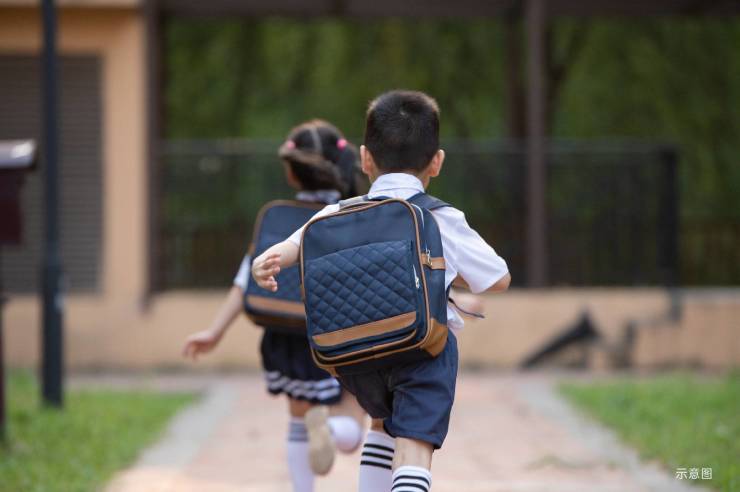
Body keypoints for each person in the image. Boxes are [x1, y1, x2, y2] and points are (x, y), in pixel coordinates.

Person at [251, 90, 511, 492]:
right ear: (437, 161)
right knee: (413, 447)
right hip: (424, 348)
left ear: (365, 158)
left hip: (356, 355)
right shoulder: (439, 216)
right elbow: (497, 278)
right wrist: (442, 269)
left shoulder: (337, 213)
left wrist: (264, 262)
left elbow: (293, 247)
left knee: (381, 428)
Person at [183, 119, 367, 492]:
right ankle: (332, 430)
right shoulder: (350, 216)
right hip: (337, 337)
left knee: (298, 421)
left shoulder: (278, 219)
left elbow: (244, 282)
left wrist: (215, 332)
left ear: (292, 173)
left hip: (285, 339)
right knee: (354, 424)